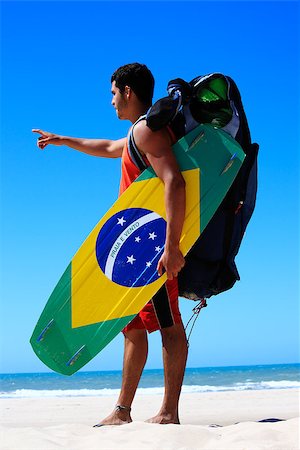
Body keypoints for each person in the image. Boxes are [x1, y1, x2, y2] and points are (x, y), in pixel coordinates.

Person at [33, 63, 188, 426]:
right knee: (131, 327)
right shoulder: (138, 133)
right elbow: (106, 146)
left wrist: (172, 246)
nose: (112, 101)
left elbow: (174, 183)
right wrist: (63, 140)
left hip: (154, 252)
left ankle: (168, 412)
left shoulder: (149, 132)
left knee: (169, 326)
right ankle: (123, 410)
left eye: (114, 93)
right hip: (135, 255)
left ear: (129, 91)